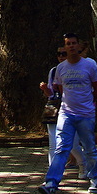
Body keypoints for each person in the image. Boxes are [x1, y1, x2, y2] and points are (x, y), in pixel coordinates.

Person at [37, 33, 97, 194]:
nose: (72, 46)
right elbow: (59, 90)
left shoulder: (89, 65)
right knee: (61, 148)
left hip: (85, 114)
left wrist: (88, 103)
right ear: (65, 47)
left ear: (79, 46)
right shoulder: (61, 68)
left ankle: (95, 179)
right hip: (66, 114)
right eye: (68, 43)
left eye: (74, 43)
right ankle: (51, 183)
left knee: (89, 149)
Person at [39, 46, 85, 175]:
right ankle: (53, 173)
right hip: (53, 108)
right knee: (53, 143)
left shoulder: (77, 71)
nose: (61, 56)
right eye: (58, 54)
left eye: (64, 54)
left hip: (71, 109)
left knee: (73, 143)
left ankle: (83, 163)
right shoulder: (53, 71)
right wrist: (44, 89)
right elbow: (50, 93)